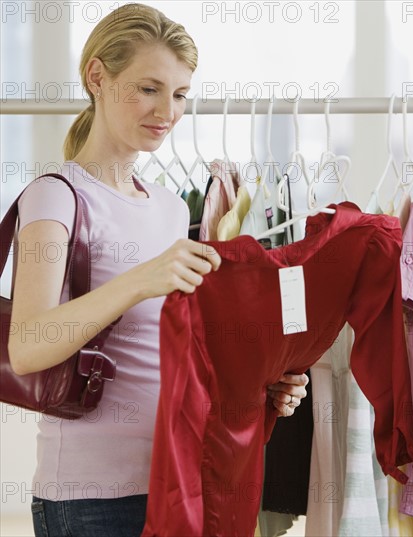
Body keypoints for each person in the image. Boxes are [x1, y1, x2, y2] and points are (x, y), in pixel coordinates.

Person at [7, 4, 308, 536]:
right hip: (90, 502)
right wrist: (142, 279)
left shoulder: (170, 208)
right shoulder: (58, 196)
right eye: (148, 88)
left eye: (180, 94)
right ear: (97, 77)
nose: (167, 111)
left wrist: (257, 387)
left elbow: (173, 352)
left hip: (178, 478)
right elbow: (27, 346)